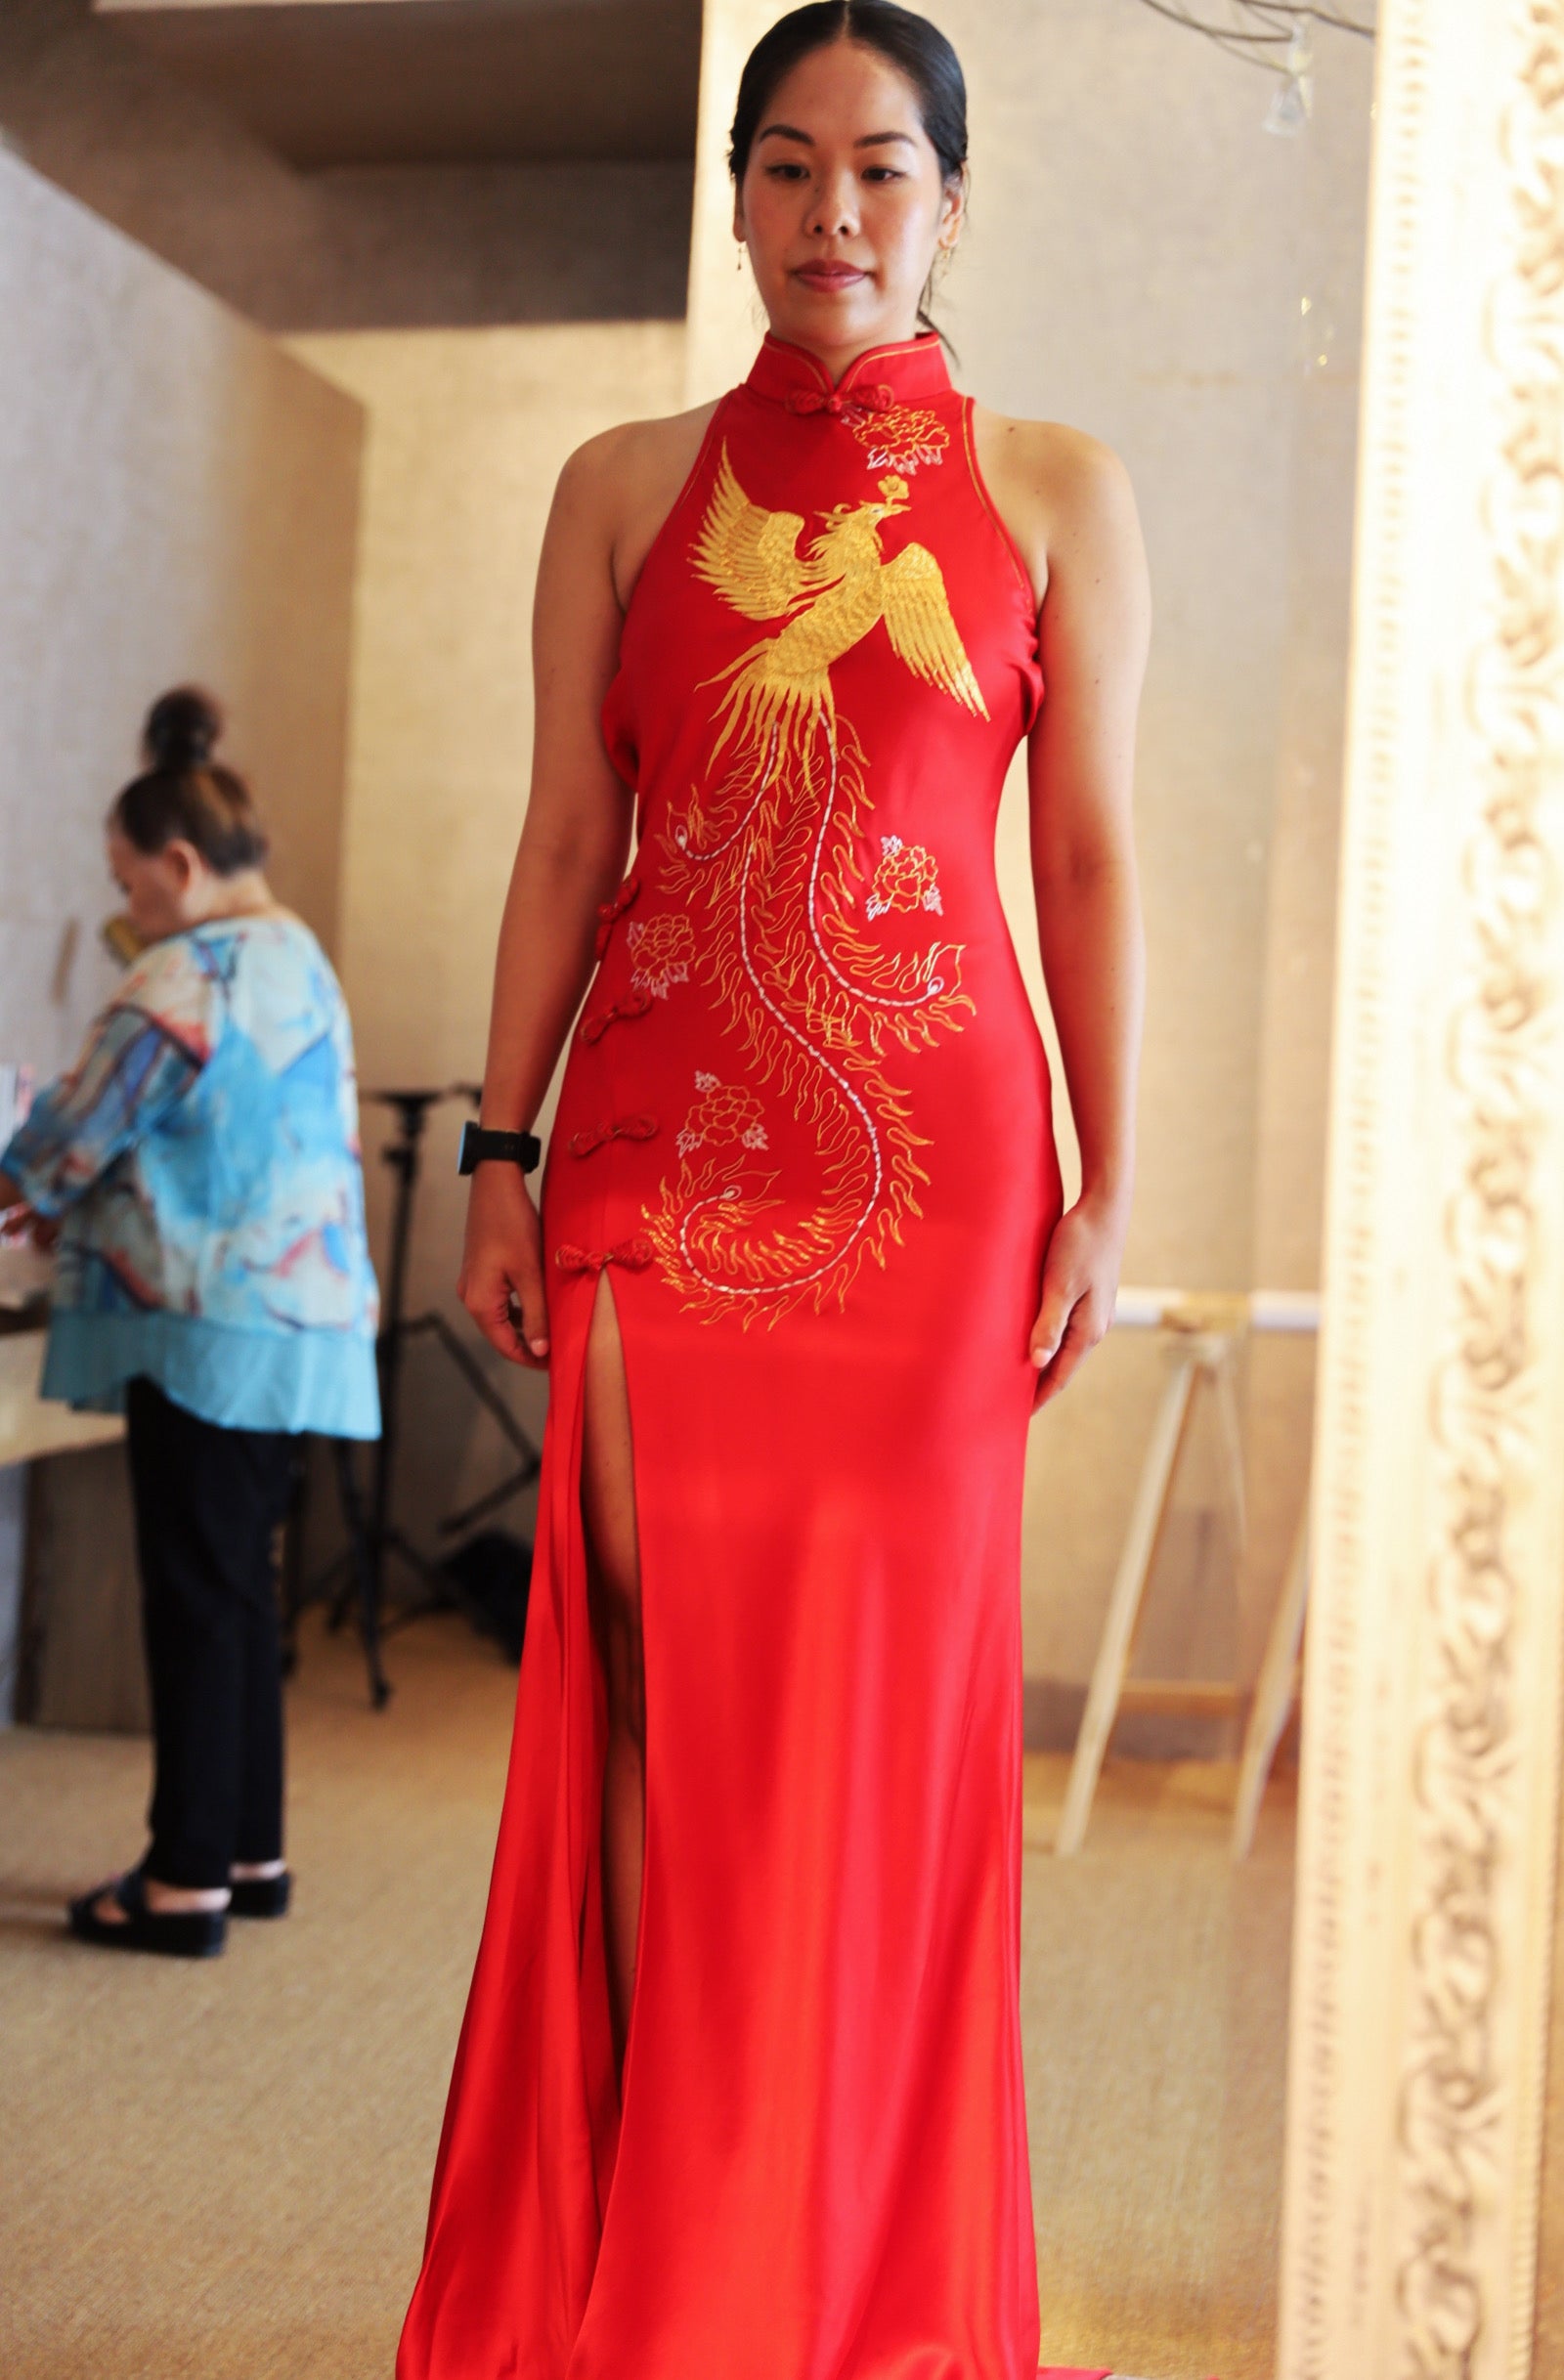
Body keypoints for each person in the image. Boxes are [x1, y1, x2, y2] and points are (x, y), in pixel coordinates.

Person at [399, 4, 1148, 2372]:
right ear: (734, 192)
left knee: (872, 1745)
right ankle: (668, 2275)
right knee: (653, 1716)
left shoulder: (1050, 486)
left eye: (885, 172)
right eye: (792, 165)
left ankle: (833, 2284)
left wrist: (1107, 1183)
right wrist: (496, 1153)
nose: (836, 213)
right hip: (642, 1167)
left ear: (950, 203)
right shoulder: (622, 482)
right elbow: (558, 844)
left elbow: (1093, 856)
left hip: (928, 1201)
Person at [0, 689, 380, 1959]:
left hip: (209, 1323)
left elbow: (65, 1141)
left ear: (175, 864)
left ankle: (180, 1886)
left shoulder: (182, 974)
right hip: (301, 1321)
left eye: (127, 880)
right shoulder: (298, 961)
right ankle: (247, 1852)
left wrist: (31, 1177)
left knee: (195, 1597)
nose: (124, 905)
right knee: (239, 1592)